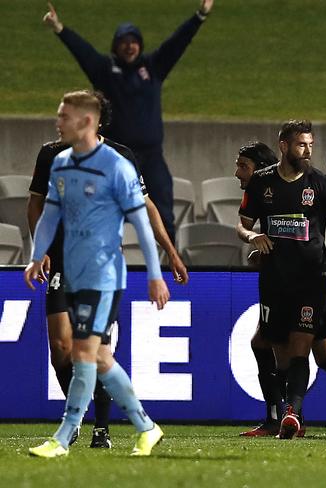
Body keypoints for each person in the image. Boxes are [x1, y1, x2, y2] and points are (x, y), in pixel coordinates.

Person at [26, 93, 187, 449]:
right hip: (65, 265)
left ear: (87, 121)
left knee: (88, 352)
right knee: (75, 350)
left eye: (63, 116)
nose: (57, 122)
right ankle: (145, 428)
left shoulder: (118, 163)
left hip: (103, 271)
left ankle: (72, 435)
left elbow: (142, 219)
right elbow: (48, 209)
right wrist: (38, 254)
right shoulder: (58, 159)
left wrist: (160, 266)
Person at [43, 0, 215, 243]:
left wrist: (200, 15)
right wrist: (59, 28)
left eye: (133, 41)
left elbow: (177, 43)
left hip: (152, 156)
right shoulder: (104, 70)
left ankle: (169, 260)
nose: (129, 46)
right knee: (110, 209)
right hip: (117, 156)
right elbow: (82, 51)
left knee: (163, 208)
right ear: (116, 46)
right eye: (124, 42)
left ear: (140, 45)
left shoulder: (153, 67)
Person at [238, 121, 326, 439]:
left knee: (302, 345)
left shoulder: (321, 184)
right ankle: (291, 416)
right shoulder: (262, 183)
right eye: (301, 144)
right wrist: (253, 237)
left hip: (312, 281)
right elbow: (243, 224)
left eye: (310, 145)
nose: (306, 151)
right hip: (275, 281)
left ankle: (290, 414)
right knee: (283, 352)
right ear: (284, 145)